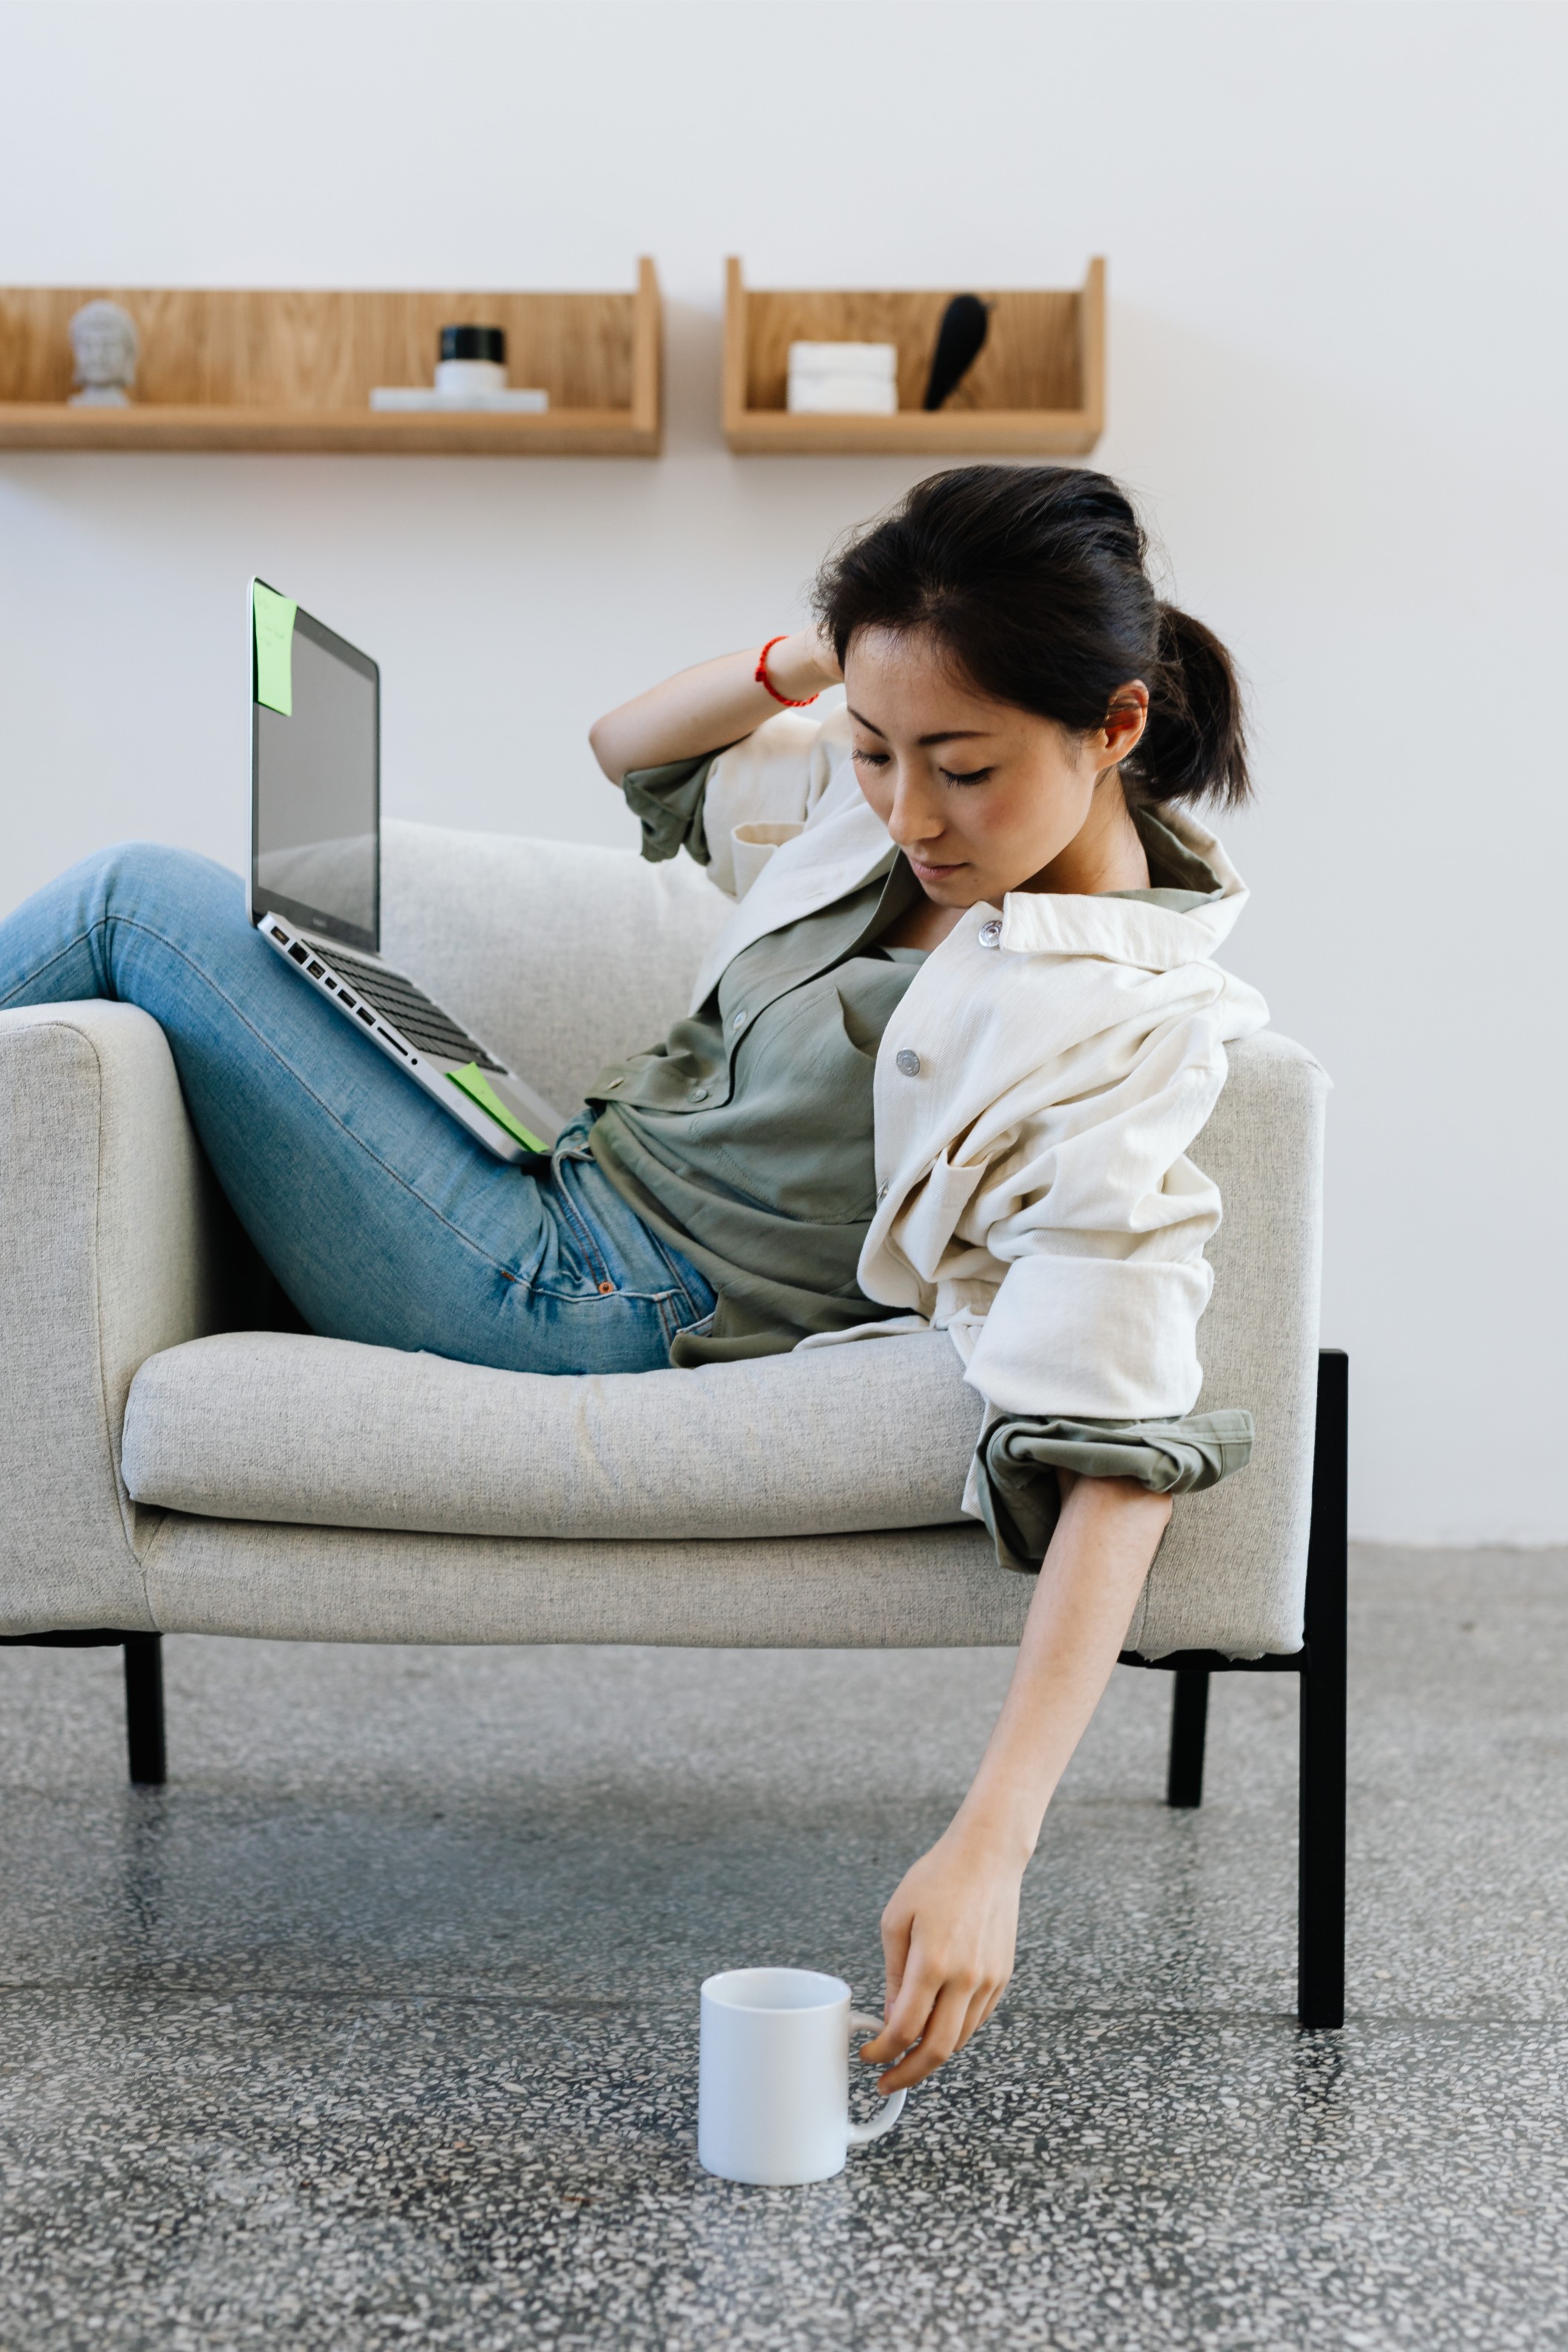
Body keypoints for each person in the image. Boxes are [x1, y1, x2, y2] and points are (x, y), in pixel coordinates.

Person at [0, 463, 1265, 2096]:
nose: (909, 811)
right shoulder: (891, 822)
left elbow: (1117, 1432)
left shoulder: (1116, 1026)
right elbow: (632, 748)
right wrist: (837, 668)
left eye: (962, 766)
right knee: (184, 925)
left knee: (133, 901)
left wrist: (992, 1840)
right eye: (879, 755)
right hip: (549, 1179)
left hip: (584, 1298)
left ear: (1113, 725)